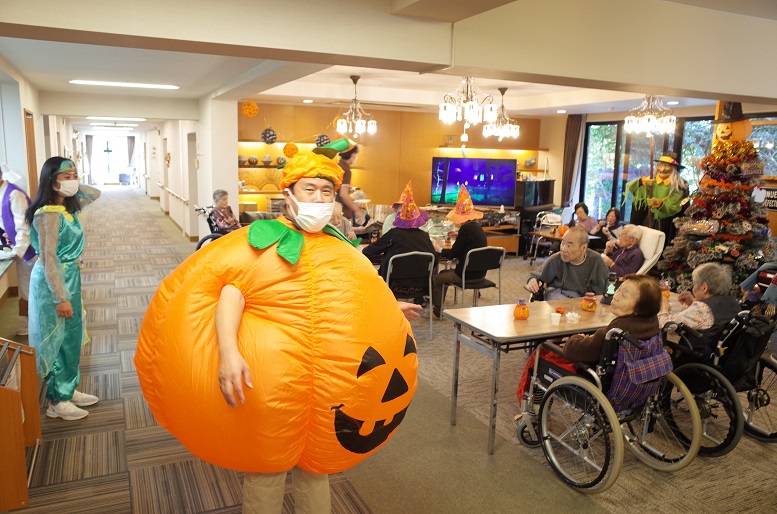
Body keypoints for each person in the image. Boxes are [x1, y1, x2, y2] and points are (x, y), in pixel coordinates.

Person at [135, 148, 419, 514]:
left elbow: (354, 294)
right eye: (309, 189)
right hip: (273, 386)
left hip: (325, 384)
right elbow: (230, 297)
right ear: (288, 194)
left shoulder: (339, 247)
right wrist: (228, 354)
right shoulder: (261, 242)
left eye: (326, 191)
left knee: (317, 465)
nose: (319, 198)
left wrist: (389, 307)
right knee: (268, 467)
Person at [25, 157, 100, 421]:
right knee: (57, 338)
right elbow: (48, 259)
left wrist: (70, 181)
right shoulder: (48, 214)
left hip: (70, 278)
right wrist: (60, 298)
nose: (73, 181)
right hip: (53, 283)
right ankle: (57, 401)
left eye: (75, 176)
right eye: (66, 177)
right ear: (51, 180)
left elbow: (94, 193)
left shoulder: (64, 208)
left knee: (71, 336)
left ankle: (68, 387)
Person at [563, 274, 662, 363]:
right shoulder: (653, 322)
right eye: (618, 289)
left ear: (639, 308)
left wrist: (577, 337)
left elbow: (571, 351)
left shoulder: (617, 331)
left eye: (624, 295)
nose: (615, 296)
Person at [363, 182, 438, 293]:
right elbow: (435, 260)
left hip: (393, 286)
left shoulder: (394, 234)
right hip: (420, 288)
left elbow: (369, 251)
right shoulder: (424, 236)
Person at [430, 185, 487, 319]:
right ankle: (438, 308)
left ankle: (437, 310)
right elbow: (469, 242)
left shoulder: (465, 230)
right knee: (445, 274)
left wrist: (439, 249)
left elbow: (453, 254)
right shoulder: (477, 228)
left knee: (438, 278)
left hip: (465, 275)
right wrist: (458, 235)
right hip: (480, 274)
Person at [658, 262, 742, 353]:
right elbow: (711, 317)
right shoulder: (733, 302)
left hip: (695, 354)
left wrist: (663, 307)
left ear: (704, 288)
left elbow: (664, 325)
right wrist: (693, 303)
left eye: (694, 284)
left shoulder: (702, 309)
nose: (693, 289)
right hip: (723, 354)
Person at [0, 162, 37, 335]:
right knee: (25, 289)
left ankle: (35, 325)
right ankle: (29, 324)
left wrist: (17, 251)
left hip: (31, 251)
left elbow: (24, 227)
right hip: (19, 249)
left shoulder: (13, 194)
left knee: (32, 288)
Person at [526, 225, 608, 300]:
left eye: (569, 245)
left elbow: (605, 290)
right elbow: (534, 275)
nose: (563, 249)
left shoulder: (596, 261)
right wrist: (532, 280)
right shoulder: (556, 259)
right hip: (559, 294)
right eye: (562, 243)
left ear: (583, 248)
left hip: (585, 299)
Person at [626, 151, 689, 244]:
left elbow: (674, 208)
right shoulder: (651, 181)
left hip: (666, 225)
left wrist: (659, 204)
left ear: (674, 168)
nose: (662, 169)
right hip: (648, 222)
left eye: (666, 166)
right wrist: (642, 181)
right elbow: (631, 187)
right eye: (660, 165)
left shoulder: (679, 186)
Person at [335, 139, 359, 220]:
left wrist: (353, 201)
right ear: (352, 155)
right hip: (342, 214)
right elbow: (343, 195)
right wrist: (356, 210)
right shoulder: (346, 170)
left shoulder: (337, 166)